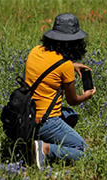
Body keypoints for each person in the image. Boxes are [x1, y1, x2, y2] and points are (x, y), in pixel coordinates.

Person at [24, 13, 96, 169]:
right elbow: (73, 100)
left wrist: (71, 66)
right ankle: (45, 149)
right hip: (47, 121)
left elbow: (48, 71)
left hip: (26, 116)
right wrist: (87, 95)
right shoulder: (64, 66)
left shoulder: (35, 51)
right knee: (87, 152)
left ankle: (34, 141)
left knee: (71, 116)